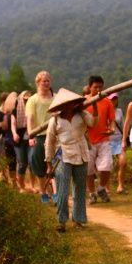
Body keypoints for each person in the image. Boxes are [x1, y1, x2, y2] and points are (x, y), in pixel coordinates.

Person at [45, 88, 97, 232]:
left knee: (80, 188)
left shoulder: (82, 115)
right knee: (63, 189)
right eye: (64, 104)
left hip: (81, 153)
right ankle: (62, 221)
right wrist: (49, 164)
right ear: (59, 106)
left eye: (70, 103)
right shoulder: (55, 120)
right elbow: (49, 142)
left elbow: (93, 123)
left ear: (74, 103)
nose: (67, 106)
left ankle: (78, 220)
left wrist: (96, 106)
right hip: (63, 156)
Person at [82, 76, 116, 204]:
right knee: (88, 169)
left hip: (104, 138)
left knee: (106, 166)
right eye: (95, 87)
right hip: (88, 140)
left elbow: (111, 120)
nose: (98, 89)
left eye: (100, 87)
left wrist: (112, 130)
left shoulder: (107, 102)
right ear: (90, 87)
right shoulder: (84, 102)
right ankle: (91, 193)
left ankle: (101, 188)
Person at [25, 72, 56, 203]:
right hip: (39, 136)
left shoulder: (56, 97)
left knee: (55, 165)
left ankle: (56, 193)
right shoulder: (33, 100)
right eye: (44, 81)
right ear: (38, 83)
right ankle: (43, 192)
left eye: (48, 81)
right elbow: (30, 119)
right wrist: (31, 136)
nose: (46, 83)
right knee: (39, 165)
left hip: (54, 135)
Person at [12, 90, 37, 193]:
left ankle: (32, 186)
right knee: (22, 163)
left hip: (32, 139)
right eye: (25, 100)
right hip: (20, 140)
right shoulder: (15, 111)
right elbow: (13, 124)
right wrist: (14, 134)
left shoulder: (33, 109)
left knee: (32, 162)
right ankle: (22, 187)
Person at [107, 93, 129, 194]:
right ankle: (106, 188)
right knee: (107, 165)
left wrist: (125, 139)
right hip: (107, 140)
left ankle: (120, 186)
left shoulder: (119, 111)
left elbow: (123, 126)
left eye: (115, 99)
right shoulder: (104, 110)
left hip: (119, 140)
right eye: (111, 99)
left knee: (123, 163)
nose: (113, 101)